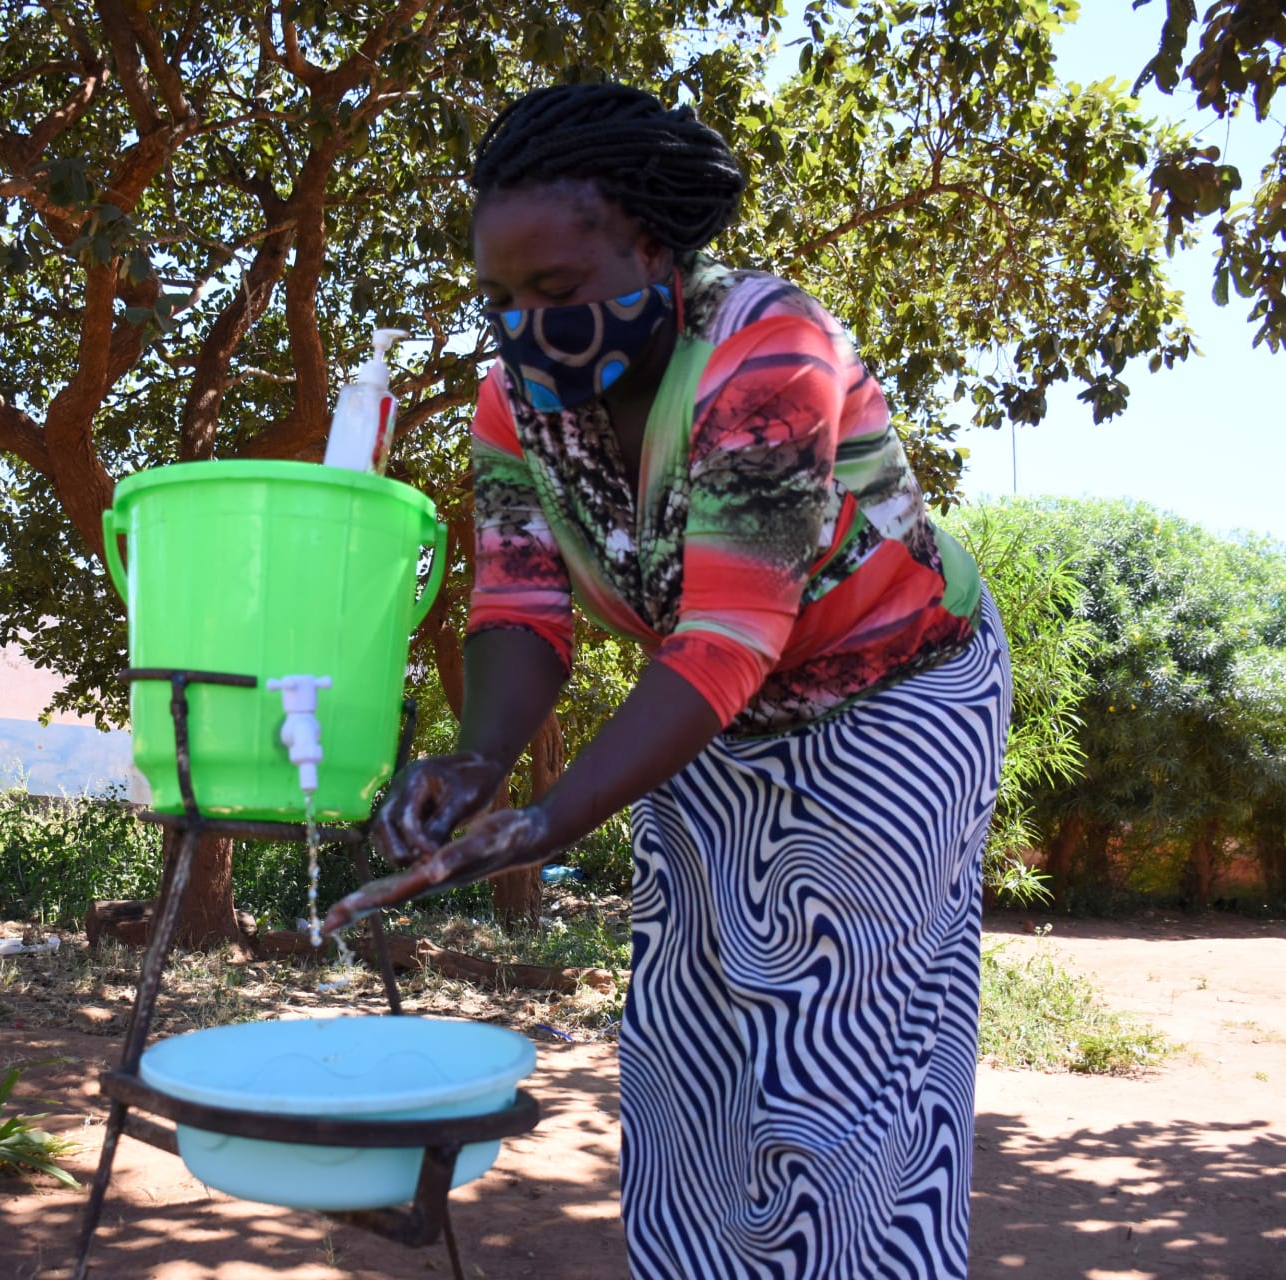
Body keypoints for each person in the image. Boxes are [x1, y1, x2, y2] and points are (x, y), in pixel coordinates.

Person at [322, 82, 1011, 1279]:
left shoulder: (767, 354)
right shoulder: (514, 404)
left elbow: (729, 635)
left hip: (894, 689)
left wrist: (547, 820)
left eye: (556, 293)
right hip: (707, 714)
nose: (526, 330)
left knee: (832, 1055)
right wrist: (481, 759)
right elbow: (522, 602)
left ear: (650, 245)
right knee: (688, 1044)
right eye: (501, 300)